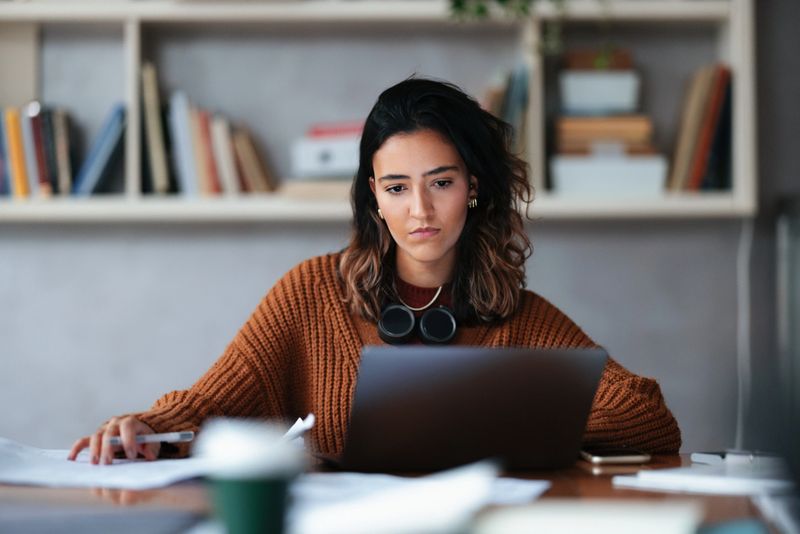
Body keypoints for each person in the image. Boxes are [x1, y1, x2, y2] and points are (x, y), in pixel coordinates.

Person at [69, 77, 681, 465]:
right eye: (397, 187)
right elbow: (208, 406)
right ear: (375, 196)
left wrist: (501, 420)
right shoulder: (311, 293)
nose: (420, 209)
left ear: (472, 187)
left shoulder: (516, 314)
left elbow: (650, 417)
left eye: (441, 182)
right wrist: (145, 425)